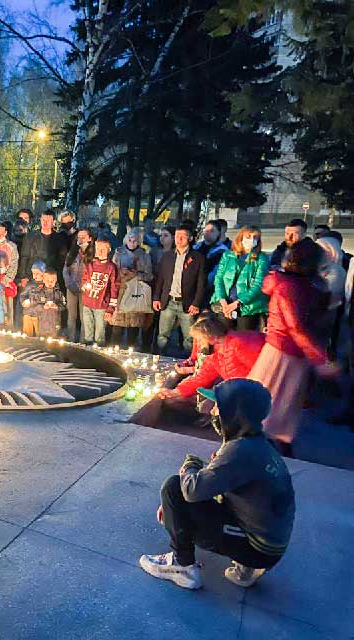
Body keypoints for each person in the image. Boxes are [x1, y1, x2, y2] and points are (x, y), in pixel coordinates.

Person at [140, 378, 295, 590]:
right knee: (185, 494)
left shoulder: (240, 451)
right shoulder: (259, 445)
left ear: (234, 414)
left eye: (217, 407)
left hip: (257, 548)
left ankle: (182, 566)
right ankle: (246, 567)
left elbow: (192, 491)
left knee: (174, 488)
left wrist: (190, 466)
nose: (212, 411)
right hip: (269, 544)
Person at [247, 239, 337, 452]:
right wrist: (320, 358)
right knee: (272, 400)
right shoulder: (288, 286)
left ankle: (273, 441)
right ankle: (260, 442)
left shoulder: (304, 283)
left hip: (295, 351)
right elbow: (296, 327)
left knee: (284, 402)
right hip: (283, 351)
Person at [153, 224, 206, 354]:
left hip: (187, 303)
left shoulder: (198, 258)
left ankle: (188, 362)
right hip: (168, 301)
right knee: (162, 336)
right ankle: (159, 359)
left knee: (189, 338)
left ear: (190, 238)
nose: (179, 239)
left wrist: (196, 303)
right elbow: (161, 279)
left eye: (183, 236)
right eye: (177, 236)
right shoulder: (168, 256)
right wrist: (156, 298)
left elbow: (201, 283)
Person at [212, 226, 270, 331]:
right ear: (241, 237)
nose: (252, 240)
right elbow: (219, 279)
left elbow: (258, 284)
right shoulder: (227, 255)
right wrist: (222, 300)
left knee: (243, 340)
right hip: (225, 305)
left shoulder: (262, 258)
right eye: (248, 236)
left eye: (255, 237)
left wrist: (238, 303)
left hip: (248, 308)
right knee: (223, 340)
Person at [109, 228, 154, 348]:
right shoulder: (118, 253)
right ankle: (114, 349)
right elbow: (112, 271)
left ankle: (131, 349)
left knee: (133, 326)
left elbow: (149, 275)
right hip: (121, 292)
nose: (132, 242)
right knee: (117, 327)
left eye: (135, 240)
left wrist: (137, 275)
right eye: (130, 239)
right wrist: (121, 272)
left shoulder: (145, 256)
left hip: (136, 293)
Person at [81, 236, 120, 346]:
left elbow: (114, 288)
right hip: (87, 303)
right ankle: (88, 353)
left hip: (101, 306)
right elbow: (84, 280)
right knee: (87, 333)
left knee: (100, 334)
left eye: (103, 249)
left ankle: (99, 354)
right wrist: (85, 286)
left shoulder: (111, 268)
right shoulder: (90, 265)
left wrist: (111, 309)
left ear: (109, 250)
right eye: (98, 248)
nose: (100, 251)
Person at [18, 210, 69, 289]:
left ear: (53, 222)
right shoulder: (30, 236)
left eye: (48, 221)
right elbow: (24, 257)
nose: (45, 223)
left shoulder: (59, 239)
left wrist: (57, 278)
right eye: (43, 220)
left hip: (50, 277)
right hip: (32, 276)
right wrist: (23, 276)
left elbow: (61, 260)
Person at [63, 228, 93, 342]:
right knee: (71, 315)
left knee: (84, 316)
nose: (80, 239)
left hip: (85, 290)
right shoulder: (72, 253)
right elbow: (65, 269)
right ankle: (70, 339)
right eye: (79, 237)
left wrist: (85, 285)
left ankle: (83, 341)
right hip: (71, 287)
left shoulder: (92, 254)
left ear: (89, 239)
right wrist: (69, 284)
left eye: (83, 237)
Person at [194, 220, 227, 293]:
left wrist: (203, 286)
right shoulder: (196, 247)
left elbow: (216, 273)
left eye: (212, 231)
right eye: (206, 230)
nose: (208, 233)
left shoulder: (223, 251)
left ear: (218, 233)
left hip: (209, 289)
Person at [34, 268, 66, 338]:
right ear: (44, 280)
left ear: (56, 280)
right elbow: (35, 307)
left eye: (53, 281)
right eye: (48, 280)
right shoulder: (39, 293)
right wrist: (43, 307)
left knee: (53, 344)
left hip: (55, 324)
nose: (50, 283)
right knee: (42, 342)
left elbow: (64, 305)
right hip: (42, 324)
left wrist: (57, 307)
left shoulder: (59, 293)